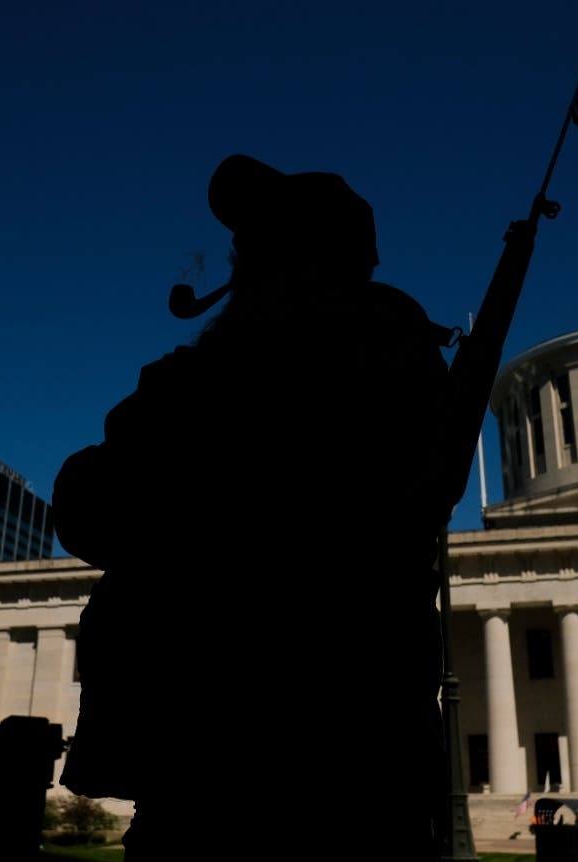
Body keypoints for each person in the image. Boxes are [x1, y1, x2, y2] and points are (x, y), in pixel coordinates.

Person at [53, 154, 458, 860]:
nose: (237, 268)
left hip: (217, 740)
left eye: (251, 251)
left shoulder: (223, 377)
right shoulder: (404, 362)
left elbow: (92, 508)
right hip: (362, 747)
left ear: (280, 264)